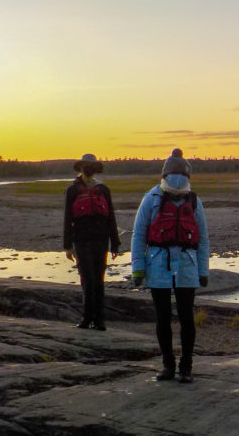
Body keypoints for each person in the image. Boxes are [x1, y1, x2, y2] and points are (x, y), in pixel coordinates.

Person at [131, 149, 210, 383]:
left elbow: (202, 238)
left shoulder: (193, 202)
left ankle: (183, 365)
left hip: (184, 265)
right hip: (160, 265)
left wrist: (203, 270)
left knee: (182, 317)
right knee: (166, 317)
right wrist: (138, 268)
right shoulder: (152, 198)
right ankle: (171, 364)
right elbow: (140, 235)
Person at [63, 153, 120, 331]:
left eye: (92, 166)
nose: (89, 169)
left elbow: (111, 216)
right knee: (87, 278)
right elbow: (67, 218)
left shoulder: (103, 190)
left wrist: (115, 243)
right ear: (80, 167)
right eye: (86, 165)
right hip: (81, 241)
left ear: (96, 168)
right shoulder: (72, 190)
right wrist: (68, 246)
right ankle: (87, 318)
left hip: (101, 241)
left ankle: (100, 320)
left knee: (98, 279)